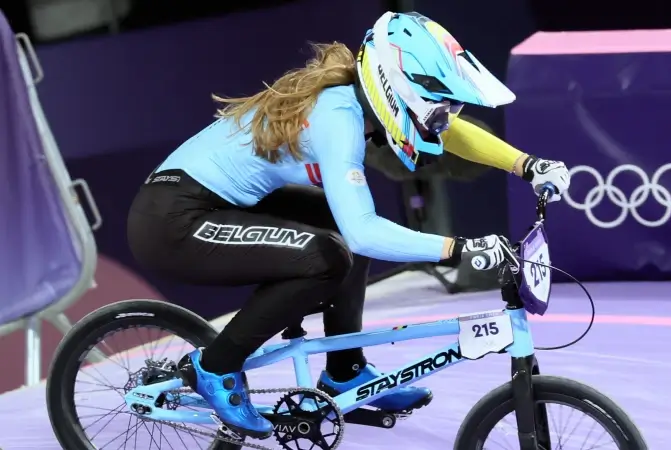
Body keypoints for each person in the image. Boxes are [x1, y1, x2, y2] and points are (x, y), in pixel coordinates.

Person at [126, 11, 571, 440]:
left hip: (215, 203)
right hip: (174, 221)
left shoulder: (357, 100)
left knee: (334, 221)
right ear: (397, 90)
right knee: (326, 256)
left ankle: (344, 372)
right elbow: (363, 233)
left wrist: (526, 165)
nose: (441, 116)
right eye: (436, 106)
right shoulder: (339, 119)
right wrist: (459, 249)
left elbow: (447, 131)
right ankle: (217, 366)